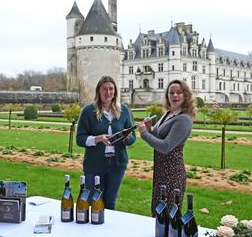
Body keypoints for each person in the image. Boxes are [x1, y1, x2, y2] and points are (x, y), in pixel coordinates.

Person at [137, 79, 197, 216]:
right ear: (167, 95)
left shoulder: (184, 119)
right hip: (161, 172)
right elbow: (159, 138)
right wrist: (150, 129)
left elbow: (166, 147)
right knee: (157, 212)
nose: (175, 96)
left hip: (172, 173)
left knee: (168, 215)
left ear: (185, 95)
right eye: (172, 93)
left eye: (179, 93)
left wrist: (144, 134)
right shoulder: (168, 113)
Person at [76, 76, 136, 210]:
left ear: (115, 91)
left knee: (110, 203)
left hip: (117, 165)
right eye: (104, 89)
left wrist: (126, 138)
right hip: (94, 165)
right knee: (94, 202)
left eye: (111, 89)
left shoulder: (124, 110)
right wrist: (97, 139)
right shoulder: (88, 111)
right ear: (98, 91)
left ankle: (107, 231)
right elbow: (79, 139)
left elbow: (133, 138)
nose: (108, 92)